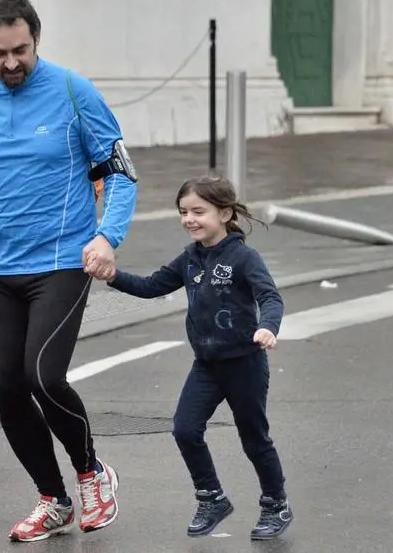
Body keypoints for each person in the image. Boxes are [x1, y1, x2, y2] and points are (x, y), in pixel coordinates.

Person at [0, 0, 138, 543]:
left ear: (35, 39)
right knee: (5, 384)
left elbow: (118, 169)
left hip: (64, 261)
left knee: (43, 375)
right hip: (0, 269)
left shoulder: (73, 90)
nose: (11, 63)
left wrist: (107, 236)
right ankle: (54, 499)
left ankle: (93, 472)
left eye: (20, 49)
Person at [97, 176, 293, 540]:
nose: (189, 219)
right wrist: (113, 276)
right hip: (207, 364)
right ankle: (212, 497)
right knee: (185, 430)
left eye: (198, 212)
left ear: (225, 213)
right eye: (183, 212)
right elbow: (153, 285)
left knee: (254, 438)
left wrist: (268, 327)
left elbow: (270, 298)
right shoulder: (190, 258)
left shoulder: (243, 257)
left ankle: (276, 503)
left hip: (244, 363)